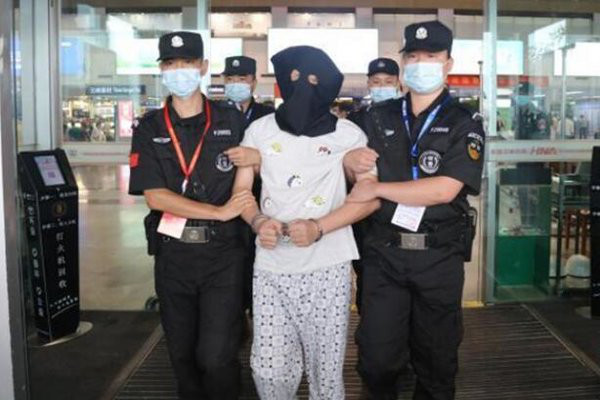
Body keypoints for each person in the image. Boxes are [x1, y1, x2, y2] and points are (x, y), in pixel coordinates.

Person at [344, 20, 484, 400]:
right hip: (383, 254)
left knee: (436, 363)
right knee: (376, 360)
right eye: (414, 56)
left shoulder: (464, 121)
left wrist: (378, 188)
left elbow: (444, 189)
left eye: (432, 56)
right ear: (404, 62)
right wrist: (348, 161)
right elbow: (346, 161)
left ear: (448, 63)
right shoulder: (376, 117)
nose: (422, 63)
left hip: (439, 255)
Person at [232, 45, 379, 400]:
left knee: (325, 369)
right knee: (268, 368)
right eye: (295, 77)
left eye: (314, 79)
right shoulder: (259, 131)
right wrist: (257, 221)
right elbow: (242, 192)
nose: (303, 86)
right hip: (271, 267)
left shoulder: (349, 135)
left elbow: (370, 197)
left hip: (328, 267)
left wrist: (319, 226)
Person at [128, 31, 258, 400]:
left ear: (202, 67)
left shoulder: (232, 120)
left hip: (223, 256)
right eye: (170, 64)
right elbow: (155, 196)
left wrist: (257, 159)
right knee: (182, 355)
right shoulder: (150, 127)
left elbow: (257, 170)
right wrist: (218, 212)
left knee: (216, 355)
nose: (179, 71)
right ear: (161, 70)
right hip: (174, 255)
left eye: (187, 63)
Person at [347, 57, 404, 313]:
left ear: (398, 83)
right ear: (369, 84)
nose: (382, 87)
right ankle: (367, 315)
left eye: (388, 82)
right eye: (377, 82)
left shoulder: (409, 117)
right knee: (366, 267)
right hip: (363, 207)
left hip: (399, 203)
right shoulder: (355, 119)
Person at [222, 55, 275, 127]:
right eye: (230, 79)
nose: (235, 84)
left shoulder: (267, 115)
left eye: (242, 79)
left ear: (254, 83)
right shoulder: (215, 113)